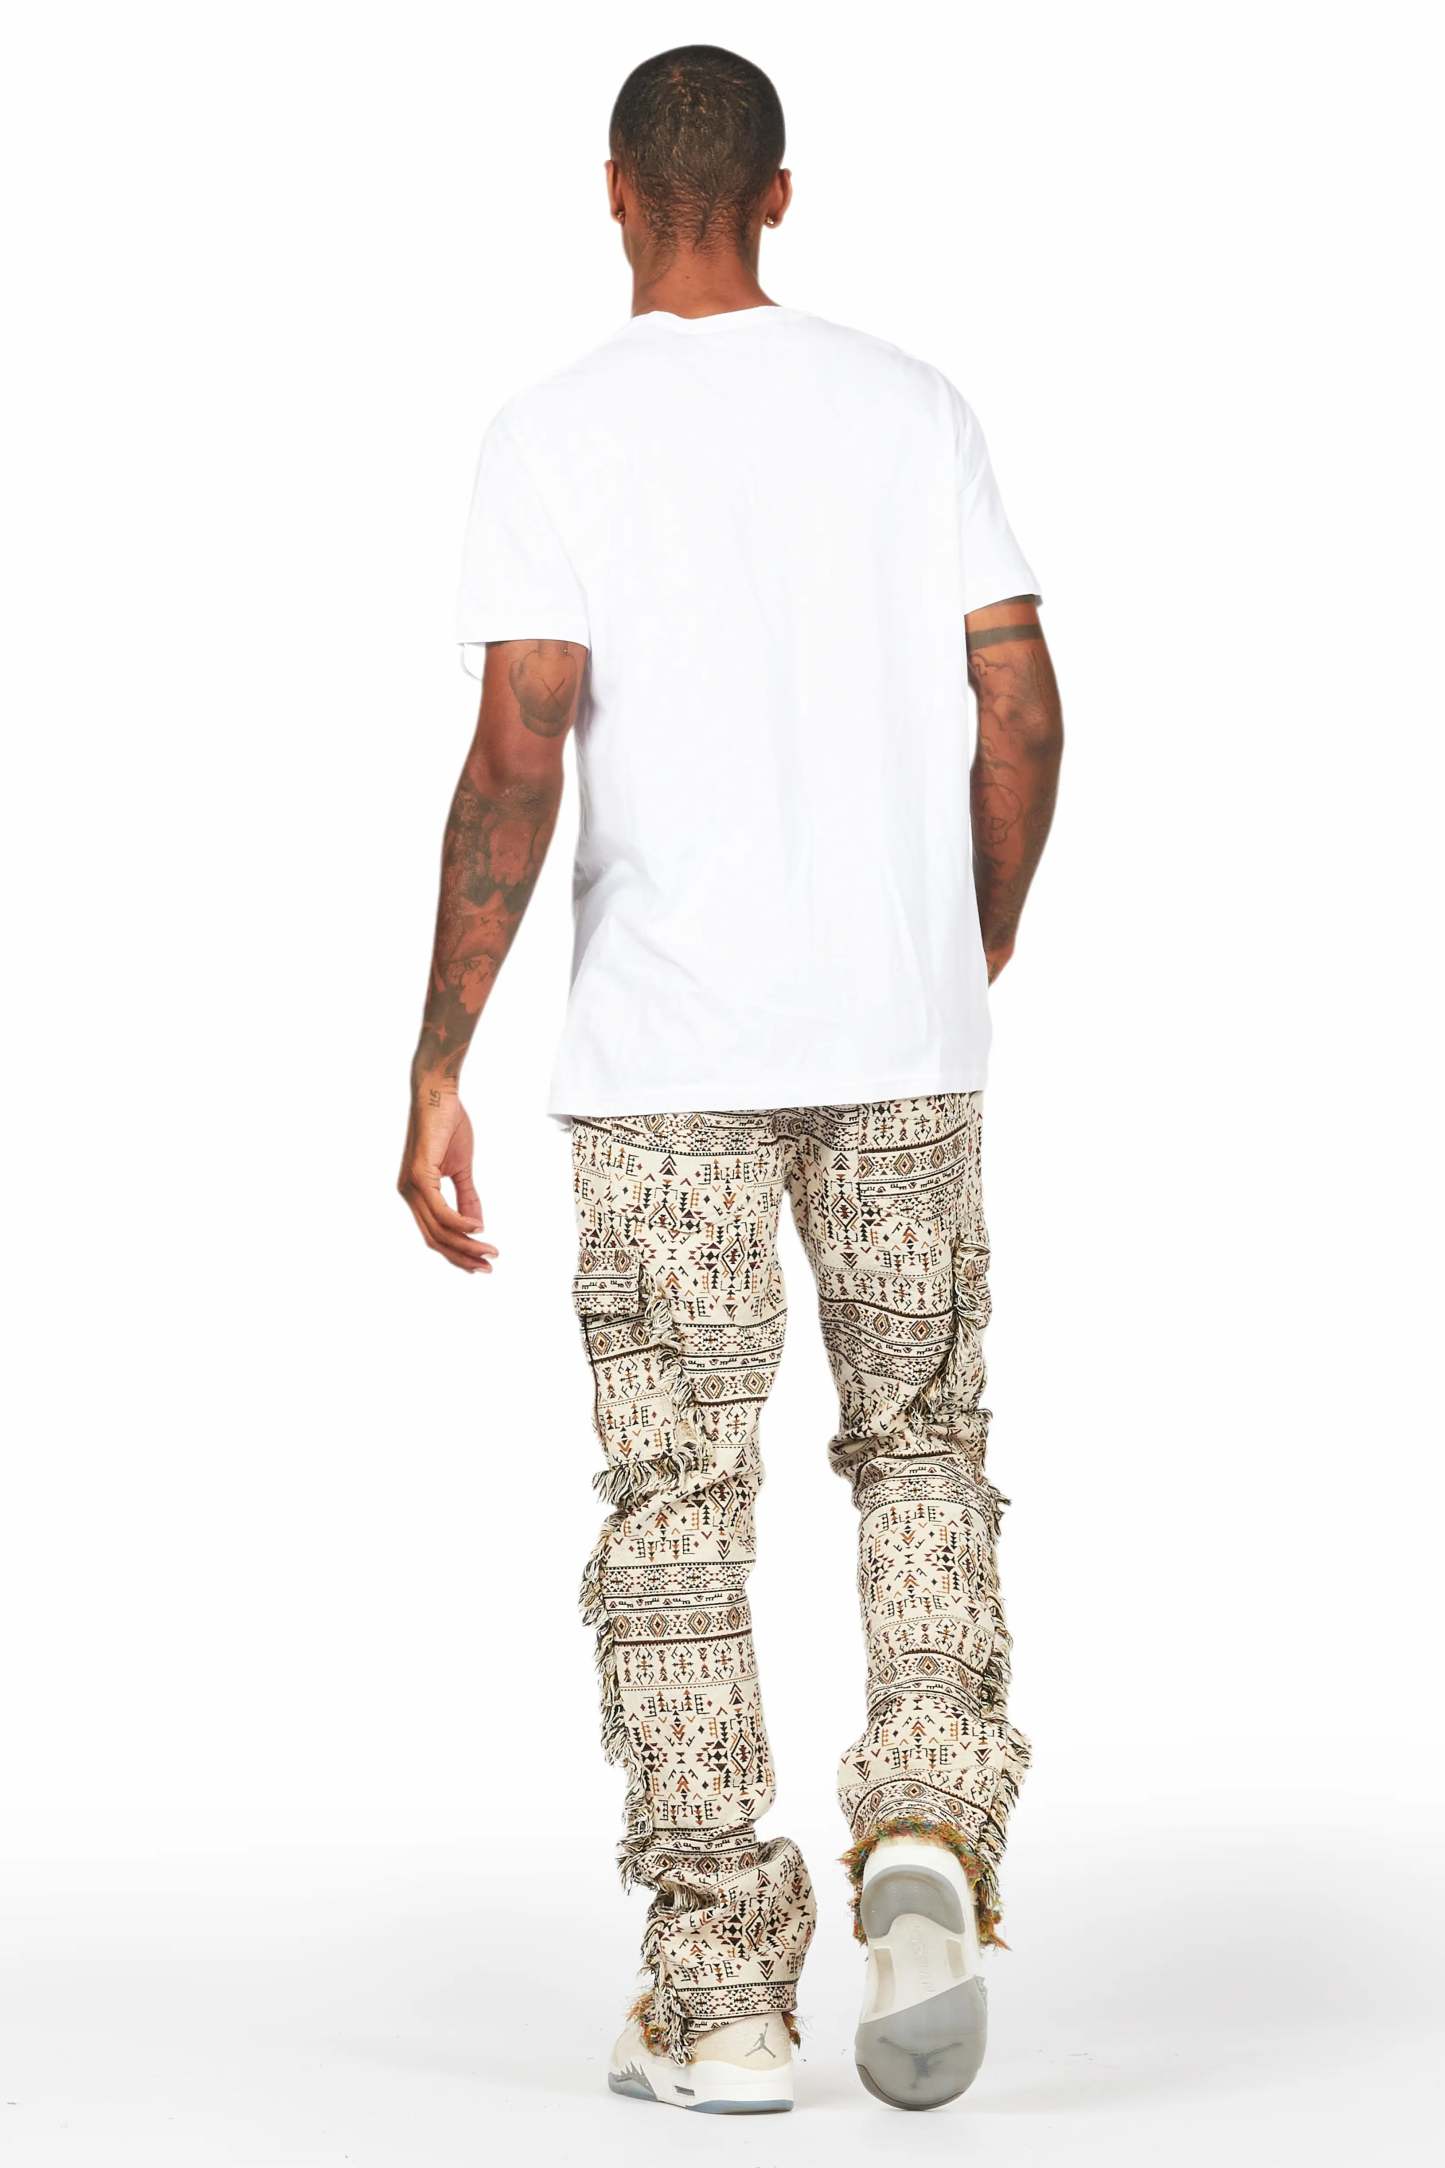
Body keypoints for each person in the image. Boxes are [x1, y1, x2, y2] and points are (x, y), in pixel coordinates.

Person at [399, 43, 1063, 2116]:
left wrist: (436, 1060)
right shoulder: (911, 408)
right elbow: (1023, 702)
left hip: (666, 1060)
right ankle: (928, 1830)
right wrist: (972, 926)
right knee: (921, 1445)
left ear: (616, 189)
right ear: (779, 195)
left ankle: (720, 2000)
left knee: (680, 1506)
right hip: (899, 1041)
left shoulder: (551, 434)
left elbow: (519, 750)